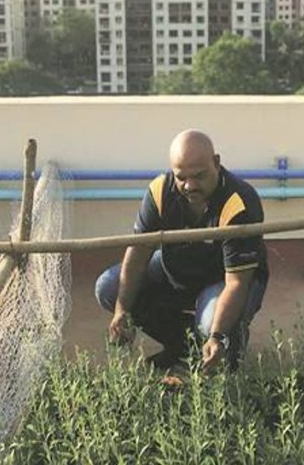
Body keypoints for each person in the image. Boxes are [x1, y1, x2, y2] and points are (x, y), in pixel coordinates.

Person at [95, 129, 269, 371]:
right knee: (109, 287)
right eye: (181, 177)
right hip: (176, 269)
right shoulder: (159, 192)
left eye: (199, 176)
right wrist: (122, 310)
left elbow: (237, 283)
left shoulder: (238, 203)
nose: (190, 186)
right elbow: (138, 254)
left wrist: (218, 335)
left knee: (211, 326)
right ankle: (183, 349)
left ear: (216, 163)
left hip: (226, 279)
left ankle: (225, 347)